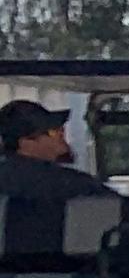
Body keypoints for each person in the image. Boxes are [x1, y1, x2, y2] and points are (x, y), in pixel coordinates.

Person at [0, 98, 120, 258]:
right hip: (67, 272)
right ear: (25, 143)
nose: (62, 133)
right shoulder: (68, 183)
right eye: (52, 131)